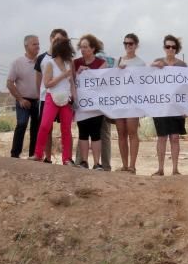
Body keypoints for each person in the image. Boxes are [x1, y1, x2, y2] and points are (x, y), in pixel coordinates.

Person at [33, 36, 76, 165]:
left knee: (66, 129)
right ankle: (38, 154)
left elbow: (72, 82)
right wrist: (63, 75)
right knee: (45, 125)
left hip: (66, 99)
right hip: (52, 97)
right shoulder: (49, 64)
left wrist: (74, 97)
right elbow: (46, 84)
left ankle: (66, 158)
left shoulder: (69, 63)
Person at [150, 35, 187, 176]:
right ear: (164, 48)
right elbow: (145, 77)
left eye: (173, 47)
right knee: (161, 137)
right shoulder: (157, 62)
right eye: (167, 46)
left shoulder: (182, 65)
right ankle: (160, 169)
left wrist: (185, 107)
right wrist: (153, 66)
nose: (170, 49)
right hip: (160, 107)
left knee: (175, 138)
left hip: (177, 107)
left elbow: (186, 87)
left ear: (176, 49)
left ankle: (175, 169)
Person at [73, 34, 107, 170]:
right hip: (81, 105)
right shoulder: (75, 63)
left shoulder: (101, 63)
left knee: (96, 133)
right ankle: (84, 161)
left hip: (96, 106)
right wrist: (78, 73)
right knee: (82, 133)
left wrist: (91, 73)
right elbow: (70, 81)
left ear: (93, 48)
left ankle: (97, 163)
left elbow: (104, 84)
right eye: (81, 47)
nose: (83, 50)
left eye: (85, 47)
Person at [7, 35, 41, 158]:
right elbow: (9, 83)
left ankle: (33, 155)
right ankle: (15, 155)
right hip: (23, 100)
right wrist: (20, 99)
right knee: (21, 124)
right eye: (34, 44)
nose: (38, 46)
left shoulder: (42, 62)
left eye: (38, 44)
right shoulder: (17, 63)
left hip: (38, 101)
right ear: (26, 46)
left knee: (36, 127)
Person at [115, 33, 145, 173]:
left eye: (131, 43)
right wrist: (117, 71)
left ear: (136, 45)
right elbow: (112, 81)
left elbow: (144, 84)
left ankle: (132, 166)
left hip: (133, 102)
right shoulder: (118, 61)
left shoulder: (140, 63)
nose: (128, 46)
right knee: (121, 133)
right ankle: (124, 165)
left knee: (132, 133)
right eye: (125, 43)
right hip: (119, 101)